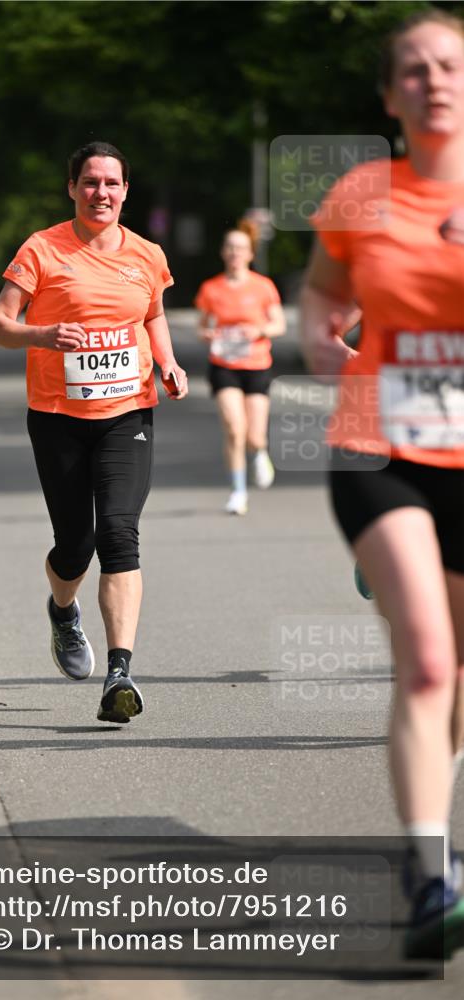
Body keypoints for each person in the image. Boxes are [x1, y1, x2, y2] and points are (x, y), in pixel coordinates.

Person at [300, 10, 464, 959]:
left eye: (449, 64)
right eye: (413, 69)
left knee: (461, 681)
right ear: (388, 95)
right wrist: (324, 343)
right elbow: (324, 289)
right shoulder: (364, 193)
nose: (433, 79)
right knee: (427, 661)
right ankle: (426, 874)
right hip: (380, 449)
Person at [0, 141, 187, 724]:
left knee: (120, 533)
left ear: (126, 191)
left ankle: (119, 672)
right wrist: (43, 336)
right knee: (75, 545)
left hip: (129, 412)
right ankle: (62, 610)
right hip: (57, 418)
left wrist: (168, 363)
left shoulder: (147, 253)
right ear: (72, 188)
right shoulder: (42, 249)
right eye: (91, 182)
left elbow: (152, 315)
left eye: (112, 183)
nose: (102, 192)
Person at [194, 223, 286, 514]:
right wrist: (207, 335)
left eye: (240, 248)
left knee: (254, 436)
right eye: (230, 247)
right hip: (224, 365)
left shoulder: (262, 286)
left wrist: (258, 330)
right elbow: (201, 327)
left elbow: (279, 325)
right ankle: (238, 491)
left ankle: (259, 452)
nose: (235, 252)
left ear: (250, 253)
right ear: (223, 252)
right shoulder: (211, 288)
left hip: (257, 365)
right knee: (234, 429)